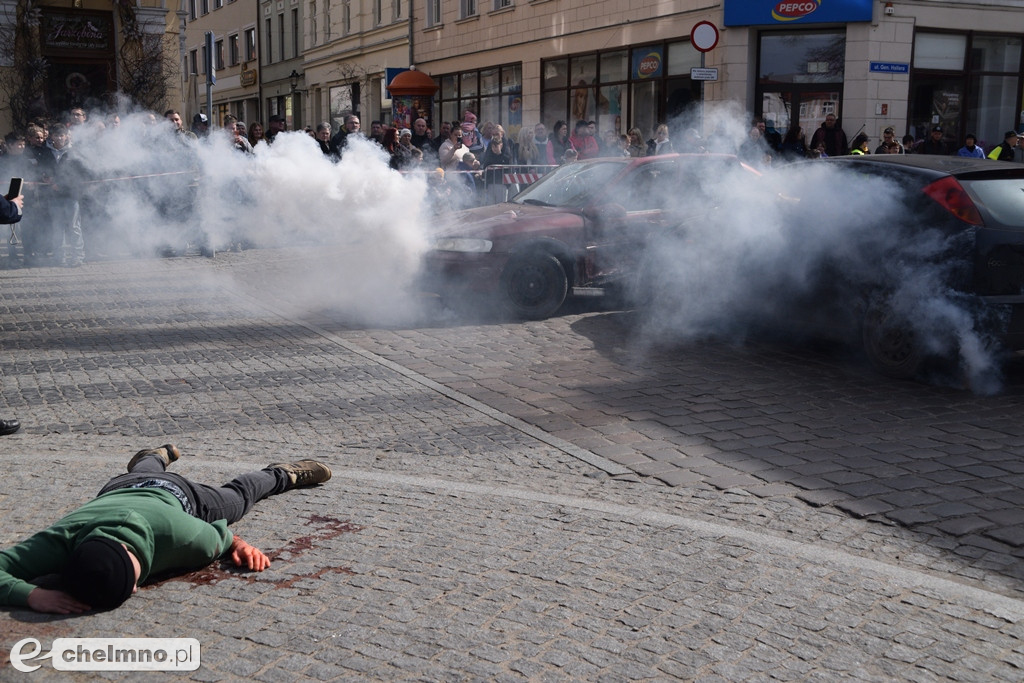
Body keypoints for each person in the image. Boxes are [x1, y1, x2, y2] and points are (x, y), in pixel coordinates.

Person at [0, 444, 332, 613]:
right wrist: (33, 594)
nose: (133, 591)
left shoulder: (185, 539)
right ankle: (152, 455)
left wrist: (238, 545)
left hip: (182, 496)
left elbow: (223, 534)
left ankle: (282, 474)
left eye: (129, 586)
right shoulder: (61, 541)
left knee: (239, 496)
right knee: (143, 470)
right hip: (123, 486)